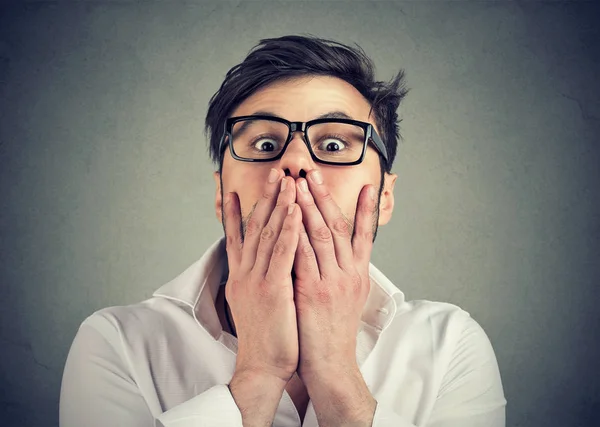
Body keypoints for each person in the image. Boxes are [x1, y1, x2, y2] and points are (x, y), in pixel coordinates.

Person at [59, 35, 506, 427]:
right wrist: (257, 377)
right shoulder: (116, 344)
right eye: (266, 144)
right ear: (221, 193)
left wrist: (336, 375)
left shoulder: (450, 346)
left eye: (334, 144)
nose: (295, 162)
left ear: (384, 198)